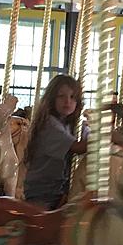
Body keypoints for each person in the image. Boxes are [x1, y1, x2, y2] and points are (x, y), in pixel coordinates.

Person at [23, 75, 86, 210]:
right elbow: (78, 147)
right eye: (61, 96)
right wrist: (104, 136)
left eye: (72, 97)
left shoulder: (68, 125)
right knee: (44, 227)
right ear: (51, 99)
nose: (67, 101)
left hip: (57, 190)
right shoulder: (49, 124)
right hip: (43, 192)